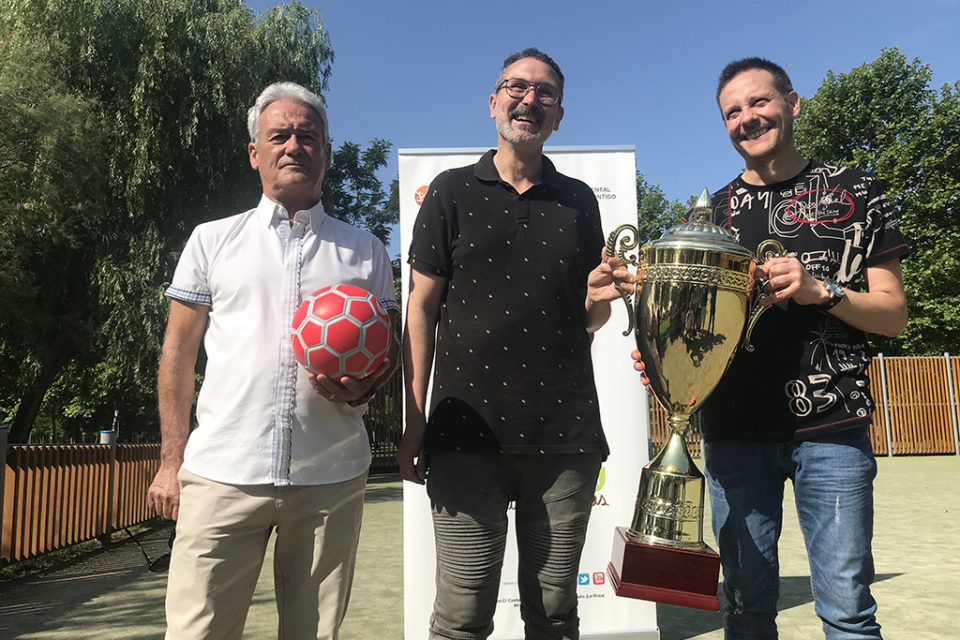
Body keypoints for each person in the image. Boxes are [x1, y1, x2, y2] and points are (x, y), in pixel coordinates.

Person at [636, 58, 908, 639]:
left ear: (792, 103)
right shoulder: (707, 219)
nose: (747, 118)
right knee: (747, 607)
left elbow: (895, 315)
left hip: (833, 429)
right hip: (735, 434)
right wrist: (663, 361)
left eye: (759, 103)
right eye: (732, 111)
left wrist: (821, 291)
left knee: (848, 613)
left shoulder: (857, 193)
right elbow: (688, 332)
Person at [146, 81, 399, 640]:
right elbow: (178, 355)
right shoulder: (211, 241)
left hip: (329, 476)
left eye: (308, 136)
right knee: (196, 632)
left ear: (327, 153)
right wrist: (171, 461)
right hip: (221, 473)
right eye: (278, 135)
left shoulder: (366, 251)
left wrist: (364, 389)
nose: (294, 146)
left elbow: (387, 355)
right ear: (254, 153)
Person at [398, 48, 628, 640]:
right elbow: (419, 311)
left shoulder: (579, 202)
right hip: (464, 436)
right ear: (494, 101)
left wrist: (599, 297)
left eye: (544, 92)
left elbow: (585, 320)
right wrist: (414, 419)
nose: (529, 99)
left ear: (558, 115)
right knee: (461, 617)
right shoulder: (449, 193)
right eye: (516, 87)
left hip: (563, 437)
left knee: (553, 615)